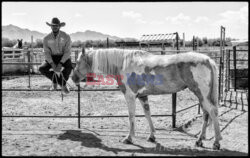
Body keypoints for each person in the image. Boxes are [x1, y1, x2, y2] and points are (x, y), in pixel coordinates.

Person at [39, 17, 72, 94]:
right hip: (52, 57)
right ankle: (58, 82)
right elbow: (46, 52)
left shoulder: (66, 36)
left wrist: (60, 63)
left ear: (59, 26)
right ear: (50, 26)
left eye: (56, 25)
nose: (55, 27)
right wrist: (52, 64)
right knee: (42, 68)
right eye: (53, 25)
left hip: (63, 56)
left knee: (69, 66)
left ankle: (60, 84)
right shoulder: (46, 38)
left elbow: (67, 52)